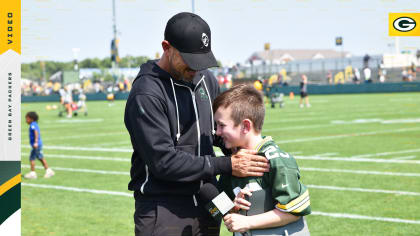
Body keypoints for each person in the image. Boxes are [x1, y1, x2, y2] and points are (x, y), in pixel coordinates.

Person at [124, 12, 270, 236]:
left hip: (210, 199)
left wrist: (250, 149)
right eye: (190, 60)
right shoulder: (147, 93)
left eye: (201, 61)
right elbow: (163, 162)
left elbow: (218, 132)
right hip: (163, 207)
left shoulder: (206, 80)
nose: (196, 69)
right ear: (166, 47)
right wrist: (228, 164)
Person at [213, 84, 311, 235]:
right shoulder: (234, 162)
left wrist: (247, 221)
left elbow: (296, 210)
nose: (217, 132)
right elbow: (214, 208)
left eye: (221, 125)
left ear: (245, 126)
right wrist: (232, 208)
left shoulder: (277, 160)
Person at [24, 112, 55, 179]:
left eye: (27, 118)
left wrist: (35, 142)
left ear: (31, 119)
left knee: (32, 158)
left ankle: (32, 174)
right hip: (38, 144)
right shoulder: (34, 124)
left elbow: (36, 132)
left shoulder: (33, 125)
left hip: (36, 145)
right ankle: (49, 171)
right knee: (40, 158)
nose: (26, 120)